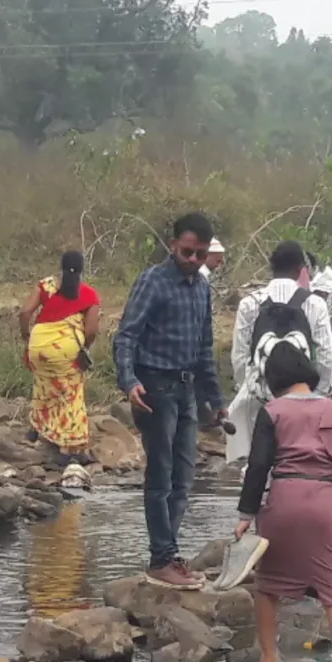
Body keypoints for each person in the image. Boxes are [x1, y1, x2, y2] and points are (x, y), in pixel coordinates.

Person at [235, 343, 332, 662]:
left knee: (267, 586)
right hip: (326, 504)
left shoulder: (273, 411)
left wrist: (245, 516)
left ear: (274, 379)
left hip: (284, 500)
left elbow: (259, 465)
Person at [113, 212, 225, 586]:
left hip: (187, 388)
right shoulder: (154, 282)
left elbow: (205, 347)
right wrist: (129, 382)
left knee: (184, 477)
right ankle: (162, 559)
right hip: (154, 388)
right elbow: (126, 336)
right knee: (160, 476)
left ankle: (166, 554)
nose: (193, 260)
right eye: (187, 252)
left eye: (200, 254)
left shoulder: (201, 288)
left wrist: (215, 399)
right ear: (172, 245)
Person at [225, 240, 332, 463]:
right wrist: (318, 393)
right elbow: (327, 357)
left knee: (254, 464)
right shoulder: (315, 304)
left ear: (271, 268)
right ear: (300, 269)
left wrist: (247, 387)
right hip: (301, 398)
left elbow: (239, 356)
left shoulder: (249, 303)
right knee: (296, 460)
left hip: (257, 395)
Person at [21, 250, 103, 464]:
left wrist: (26, 336)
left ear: (61, 267)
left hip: (38, 346)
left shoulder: (46, 286)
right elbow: (91, 330)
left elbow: (25, 313)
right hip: (64, 350)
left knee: (43, 386)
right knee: (71, 394)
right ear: (83, 270)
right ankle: (70, 448)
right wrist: (84, 347)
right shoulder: (89, 295)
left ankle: (37, 429)